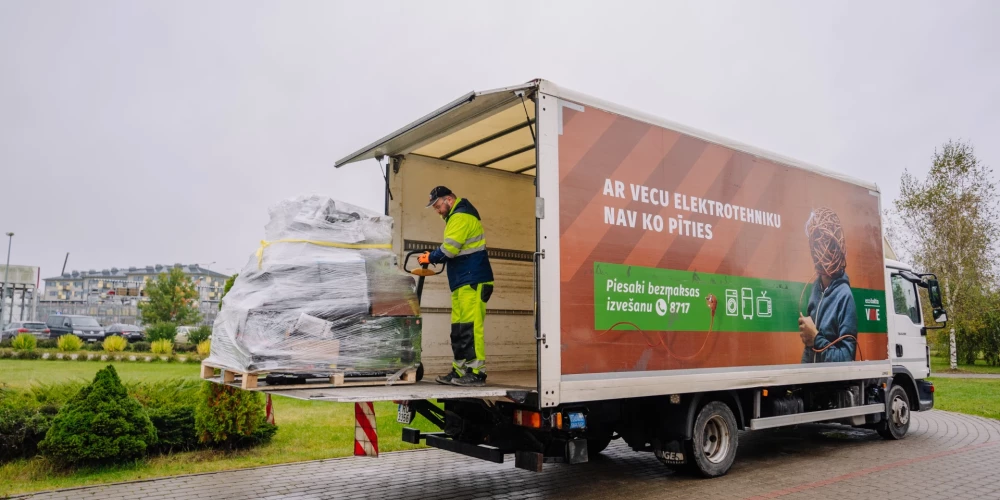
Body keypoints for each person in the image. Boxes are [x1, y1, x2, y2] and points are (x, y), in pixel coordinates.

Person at [419, 186, 494, 387]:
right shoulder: (455, 217)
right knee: (459, 329)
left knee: (471, 327)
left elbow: (449, 250)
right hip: (463, 281)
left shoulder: (461, 217)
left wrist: (430, 257)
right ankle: (460, 370)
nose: (436, 210)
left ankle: (477, 372)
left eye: (437, 205)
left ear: (449, 199)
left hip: (473, 280)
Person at [798, 207, 858, 363]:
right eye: (817, 245)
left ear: (838, 247)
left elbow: (846, 358)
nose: (823, 251)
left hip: (833, 385)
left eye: (829, 245)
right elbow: (809, 349)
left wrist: (816, 338)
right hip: (813, 384)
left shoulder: (844, 296)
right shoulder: (815, 289)